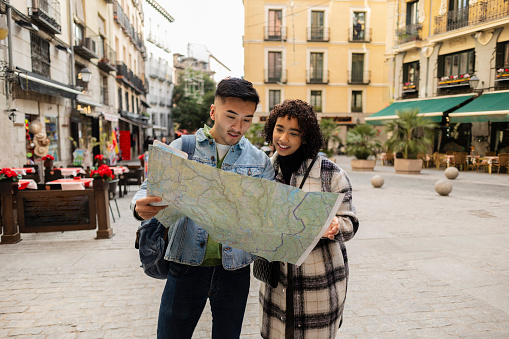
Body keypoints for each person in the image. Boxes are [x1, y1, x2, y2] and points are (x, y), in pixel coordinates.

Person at [131, 77, 274, 339]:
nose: (238, 126)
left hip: (235, 270)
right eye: (231, 116)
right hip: (185, 265)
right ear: (213, 111)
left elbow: (268, 214)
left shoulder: (259, 160)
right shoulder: (183, 147)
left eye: (247, 119)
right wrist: (138, 205)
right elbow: (146, 189)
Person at [259, 99, 359, 339]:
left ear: (305, 137)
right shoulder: (263, 170)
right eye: (279, 129)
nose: (283, 138)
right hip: (276, 284)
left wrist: (336, 225)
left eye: (294, 133)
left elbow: (351, 222)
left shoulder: (331, 173)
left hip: (319, 283)